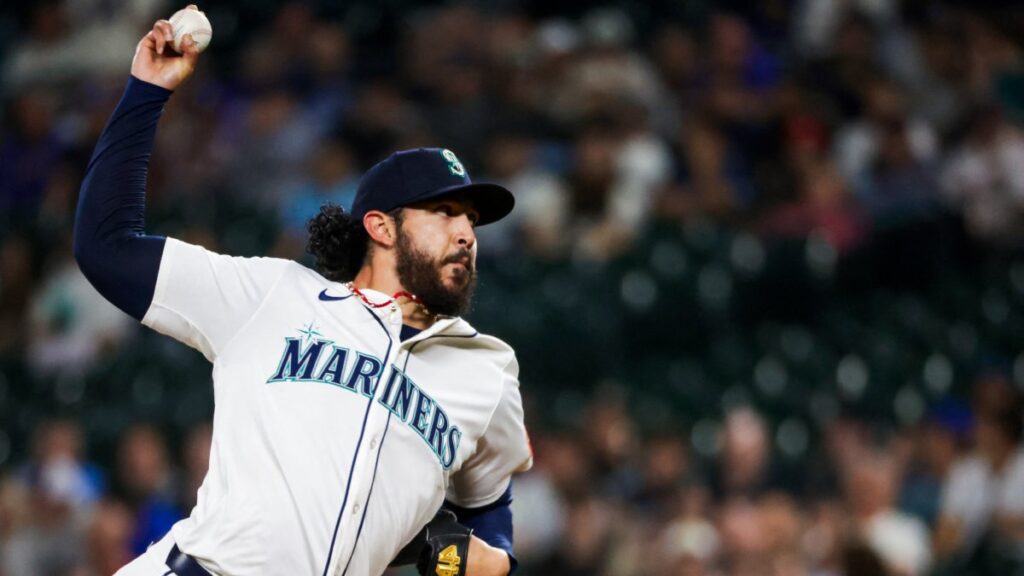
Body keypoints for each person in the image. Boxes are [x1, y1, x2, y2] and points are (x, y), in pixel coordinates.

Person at [73, 6, 532, 576]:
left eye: (471, 220)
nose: (466, 232)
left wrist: (497, 560)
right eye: (443, 212)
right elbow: (106, 246)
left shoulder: (485, 370)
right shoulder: (274, 295)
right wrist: (146, 94)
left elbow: (489, 510)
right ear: (381, 227)